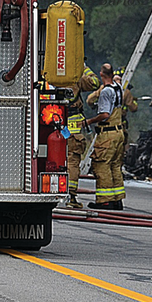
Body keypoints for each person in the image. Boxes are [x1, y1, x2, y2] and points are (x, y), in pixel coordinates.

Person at [79, 64, 126, 210]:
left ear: (101, 74)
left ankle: (104, 200)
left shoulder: (106, 92)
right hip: (119, 133)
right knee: (115, 166)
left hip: (108, 134)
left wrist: (90, 121)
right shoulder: (118, 87)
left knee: (101, 166)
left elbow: (105, 115)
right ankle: (117, 200)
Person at [64, 65, 100, 209]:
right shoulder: (74, 75)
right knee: (72, 160)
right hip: (72, 126)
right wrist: (83, 67)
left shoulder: (47, 73)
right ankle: (70, 195)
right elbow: (95, 82)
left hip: (52, 122)